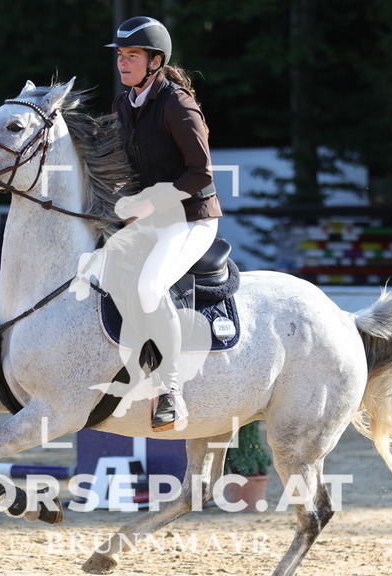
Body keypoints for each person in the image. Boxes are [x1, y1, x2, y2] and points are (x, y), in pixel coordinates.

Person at [105, 15, 222, 432]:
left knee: (150, 287)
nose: (123, 63)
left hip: (191, 218)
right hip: (151, 219)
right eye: (120, 56)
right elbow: (127, 167)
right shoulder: (124, 103)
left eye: (132, 56)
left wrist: (148, 204)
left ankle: (171, 390)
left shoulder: (177, 103)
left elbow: (201, 174)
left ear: (155, 61)